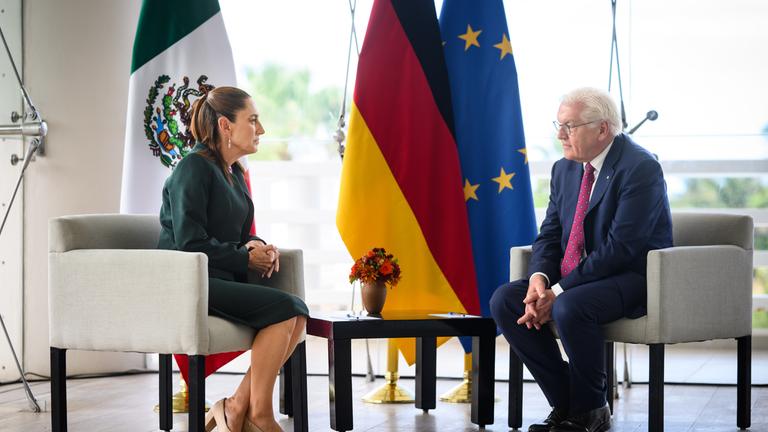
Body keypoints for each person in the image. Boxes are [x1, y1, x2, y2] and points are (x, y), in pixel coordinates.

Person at [490, 87, 672, 432]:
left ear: (602, 129)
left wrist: (557, 293)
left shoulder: (640, 167)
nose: (560, 135)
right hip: (574, 280)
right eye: (558, 125)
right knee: (505, 300)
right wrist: (539, 281)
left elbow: (622, 248)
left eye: (569, 126)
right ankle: (569, 405)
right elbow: (550, 235)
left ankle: (592, 409)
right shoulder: (565, 169)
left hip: (631, 277)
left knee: (570, 306)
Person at [157, 86, 308, 432]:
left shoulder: (234, 172)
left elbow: (239, 234)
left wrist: (257, 245)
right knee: (290, 310)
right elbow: (189, 244)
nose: (262, 129)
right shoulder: (192, 169)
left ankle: (240, 406)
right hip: (190, 284)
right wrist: (244, 259)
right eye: (253, 120)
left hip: (221, 278)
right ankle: (257, 414)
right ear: (225, 125)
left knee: (297, 316)